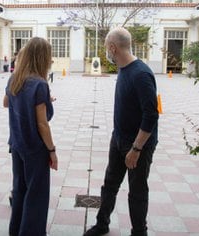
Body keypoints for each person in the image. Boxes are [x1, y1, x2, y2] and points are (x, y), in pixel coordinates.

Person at [84, 27, 159, 236]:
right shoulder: (123, 69)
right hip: (118, 139)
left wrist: (136, 148)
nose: (106, 51)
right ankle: (102, 224)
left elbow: (151, 115)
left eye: (106, 47)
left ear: (112, 47)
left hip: (138, 145)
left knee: (137, 191)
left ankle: (139, 232)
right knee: (109, 185)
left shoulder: (141, 74)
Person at [3, 37, 58, 236]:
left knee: (19, 192)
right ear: (42, 58)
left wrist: (36, 101)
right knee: (37, 196)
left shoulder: (15, 78)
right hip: (35, 148)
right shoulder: (40, 84)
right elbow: (42, 124)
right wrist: (52, 151)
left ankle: (16, 231)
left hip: (17, 145)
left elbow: (6, 103)